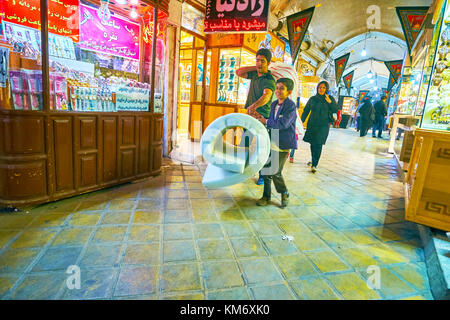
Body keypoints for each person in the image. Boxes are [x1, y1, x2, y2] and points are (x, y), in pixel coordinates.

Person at [253, 78, 297, 208]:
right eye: (277, 88)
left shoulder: (291, 106)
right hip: (271, 140)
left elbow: (283, 124)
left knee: (275, 172)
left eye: (281, 88)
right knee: (266, 170)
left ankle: (284, 192)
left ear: (289, 92)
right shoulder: (273, 104)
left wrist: (266, 122)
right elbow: (272, 121)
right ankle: (266, 196)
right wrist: (264, 120)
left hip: (283, 143)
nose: (278, 91)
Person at [236, 48, 276, 185]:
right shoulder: (254, 74)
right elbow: (238, 72)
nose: (259, 63)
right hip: (250, 117)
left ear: (269, 63)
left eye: (263, 61)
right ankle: (242, 168)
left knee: (263, 147)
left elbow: (267, 95)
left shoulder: (269, 79)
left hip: (262, 117)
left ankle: (263, 176)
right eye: (257, 60)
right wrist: (257, 66)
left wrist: (254, 106)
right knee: (244, 143)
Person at [300, 81, 338, 173]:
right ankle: (313, 159)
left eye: (323, 88)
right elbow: (306, 110)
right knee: (313, 143)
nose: (321, 89)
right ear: (317, 89)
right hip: (312, 124)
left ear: (326, 89)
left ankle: (314, 164)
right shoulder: (313, 99)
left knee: (319, 143)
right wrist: (300, 121)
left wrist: (330, 103)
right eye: (320, 87)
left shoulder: (330, 99)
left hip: (324, 126)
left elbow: (335, 110)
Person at [289, 96, 301, 163]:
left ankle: (291, 156)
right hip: (290, 132)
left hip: (293, 131)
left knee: (293, 144)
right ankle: (290, 156)